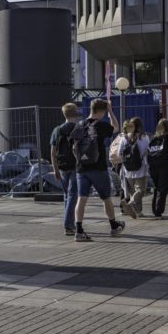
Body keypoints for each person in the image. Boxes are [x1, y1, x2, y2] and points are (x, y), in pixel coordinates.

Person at [73, 99, 124, 242]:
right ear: (102, 111)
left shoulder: (79, 125)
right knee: (106, 198)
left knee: (81, 198)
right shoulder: (100, 125)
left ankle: (79, 230)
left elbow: (74, 146)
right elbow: (116, 128)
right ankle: (114, 226)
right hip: (98, 167)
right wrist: (111, 111)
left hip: (81, 168)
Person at [50, 102, 80, 236]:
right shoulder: (79, 128)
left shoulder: (57, 130)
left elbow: (52, 152)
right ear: (76, 112)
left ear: (64, 114)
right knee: (73, 195)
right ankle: (68, 225)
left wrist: (55, 169)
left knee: (67, 195)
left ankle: (70, 222)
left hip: (62, 166)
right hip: (76, 165)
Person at [118, 116, 150, 218]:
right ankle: (130, 204)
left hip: (127, 169)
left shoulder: (124, 138)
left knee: (133, 191)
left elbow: (119, 153)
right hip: (140, 167)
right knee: (141, 190)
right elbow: (147, 151)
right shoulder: (144, 137)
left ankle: (139, 212)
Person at [147, 118, 168, 219]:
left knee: (156, 188)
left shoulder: (153, 139)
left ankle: (155, 210)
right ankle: (158, 211)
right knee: (162, 189)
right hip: (163, 166)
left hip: (153, 166)